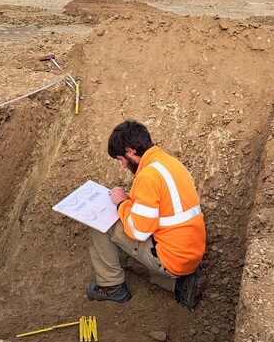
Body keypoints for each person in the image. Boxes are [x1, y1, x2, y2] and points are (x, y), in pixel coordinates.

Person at [87, 120, 206, 309]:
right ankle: (180, 286)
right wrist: (130, 200)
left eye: (121, 159)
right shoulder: (169, 163)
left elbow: (139, 232)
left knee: (99, 223)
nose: (124, 166)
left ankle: (112, 287)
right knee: (127, 260)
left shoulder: (147, 176)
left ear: (131, 151)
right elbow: (163, 205)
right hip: (190, 253)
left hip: (171, 259)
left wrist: (121, 204)